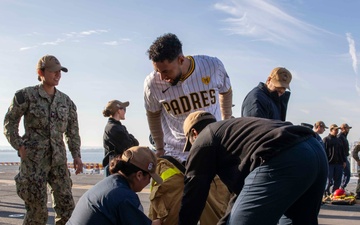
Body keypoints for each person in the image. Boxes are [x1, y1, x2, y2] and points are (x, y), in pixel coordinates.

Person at [178, 111, 328, 225]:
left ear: (194, 134)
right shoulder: (234, 132)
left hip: (283, 157)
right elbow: (241, 198)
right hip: (315, 153)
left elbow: (194, 194)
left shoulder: (204, 138)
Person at [144, 33, 232, 224]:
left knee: (219, 215)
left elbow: (226, 90)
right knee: (166, 213)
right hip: (174, 155)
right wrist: (159, 148)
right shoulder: (152, 83)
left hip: (212, 152)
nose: (162, 77)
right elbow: (152, 113)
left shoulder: (212, 66)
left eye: (166, 71)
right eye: (157, 71)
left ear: (181, 59)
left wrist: (226, 121)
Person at [3, 55, 83, 225]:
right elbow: (9, 123)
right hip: (34, 163)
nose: (58, 75)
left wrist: (76, 155)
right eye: (53, 71)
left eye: (60, 72)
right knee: (37, 212)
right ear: (41, 72)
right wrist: (19, 146)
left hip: (59, 162)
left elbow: (72, 131)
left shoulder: (66, 101)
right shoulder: (26, 96)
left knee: (67, 208)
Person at [66, 146, 162, 225]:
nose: (148, 183)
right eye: (149, 178)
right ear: (139, 175)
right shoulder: (125, 197)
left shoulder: (110, 183)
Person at [102, 100, 139, 176]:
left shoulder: (116, 127)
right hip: (115, 168)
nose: (125, 112)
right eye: (124, 109)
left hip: (115, 167)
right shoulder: (114, 128)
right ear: (118, 110)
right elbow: (130, 147)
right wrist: (131, 138)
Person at [323, 124, 346, 196]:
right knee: (328, 180)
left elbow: (342, 152)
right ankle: (325, 193)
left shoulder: (339, 140)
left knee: (338, 179)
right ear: (331, 130)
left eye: (337, 130)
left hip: (338, 163)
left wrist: (344, 161)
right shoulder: (326, 139)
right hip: (330, 163)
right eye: (335, 130)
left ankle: (335, 193)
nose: (337, 131)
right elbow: (324, 151)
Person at [338, 123, 352, 189]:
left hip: (344, 157)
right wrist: (343, 160)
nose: (348, 130)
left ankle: (342, 187)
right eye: (347, 128)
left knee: (346, 174)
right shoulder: (340, 137)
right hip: (342, 158)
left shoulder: (344, 136)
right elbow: (341, 149)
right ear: (343, 129)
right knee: (346, 173)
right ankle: (341, 187)